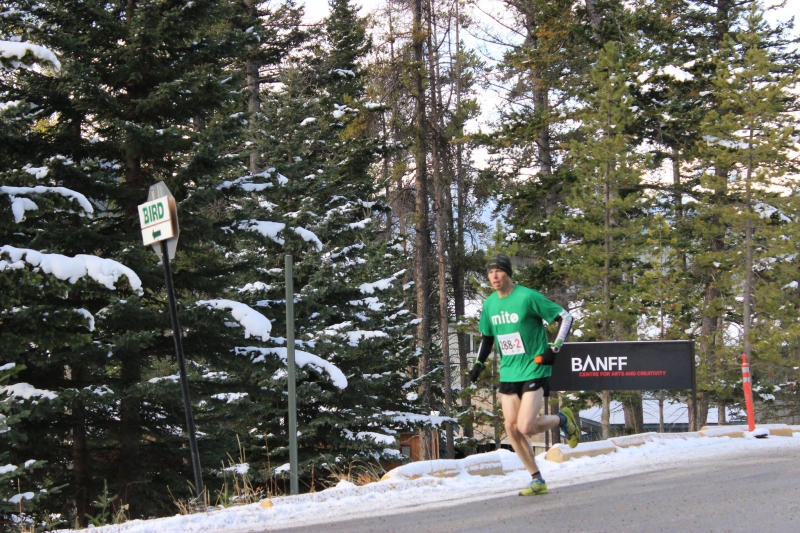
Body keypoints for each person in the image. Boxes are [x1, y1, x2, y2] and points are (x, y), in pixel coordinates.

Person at [469, 252, 579, 496]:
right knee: (511, 427)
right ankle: (536, 479)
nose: (494, 276)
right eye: (490, 272)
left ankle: (563, 419)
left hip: (534, 365)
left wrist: (554, 349)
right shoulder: (489, 304)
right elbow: (487, 337)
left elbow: (566, 317)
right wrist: (478, 363)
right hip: (509, 371)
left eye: (498, 270)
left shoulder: (527, 297)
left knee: (526, 426)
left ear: (508, 273)